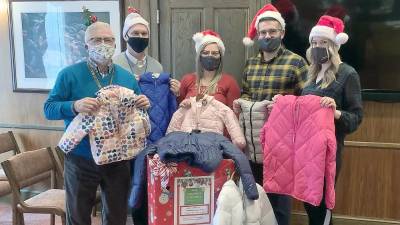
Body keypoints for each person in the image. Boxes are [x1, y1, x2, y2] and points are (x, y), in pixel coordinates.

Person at [43, 22, 150, 225]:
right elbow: (48, 109)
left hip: (119, 159)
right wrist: (74, 105)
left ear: (115, 43)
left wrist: (145, 104)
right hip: (80, 158)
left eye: (108, 39)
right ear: (86, 46)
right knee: (78, 217)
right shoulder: (68, 75)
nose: (103, 44)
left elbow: (138, 109)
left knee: (117, 217)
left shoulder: (126, 76)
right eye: (96, 40)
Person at [238, 3, 308, 225]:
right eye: (263, 32)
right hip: (253, 146)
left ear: (282, 33)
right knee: (254, 198)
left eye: (272, 32)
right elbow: (246, 94)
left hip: (282, 145)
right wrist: (241, 104)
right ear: (258, 35)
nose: (267, 36)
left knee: (279, 203)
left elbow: (306, 102)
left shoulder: (296, 62)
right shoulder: (250, 65)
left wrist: (283, 105)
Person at [300, 15, 362, 225]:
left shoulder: (347, 73)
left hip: (329, 151)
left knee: (322, 205)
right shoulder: (311, 74)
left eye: (323, 43)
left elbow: (356, 117)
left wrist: (336, 112)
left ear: (334, 45)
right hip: (305, 149)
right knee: (308, 201)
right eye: (314, 43)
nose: (318, 47)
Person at [113, 8, 180, 96]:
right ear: (126, 36)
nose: (140, 37)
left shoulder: (157, 66)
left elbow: (160, 95)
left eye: (144, 34)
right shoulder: (114, 63)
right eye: (135, 33)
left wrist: (175, 92)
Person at [179, 29, 240, 109]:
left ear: (220, 57)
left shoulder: (230, 82)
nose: (210, 56)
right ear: (199, 56)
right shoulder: (187, 80)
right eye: (205, 53)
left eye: (215, 53)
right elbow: (180, 109)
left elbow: (234, 115)